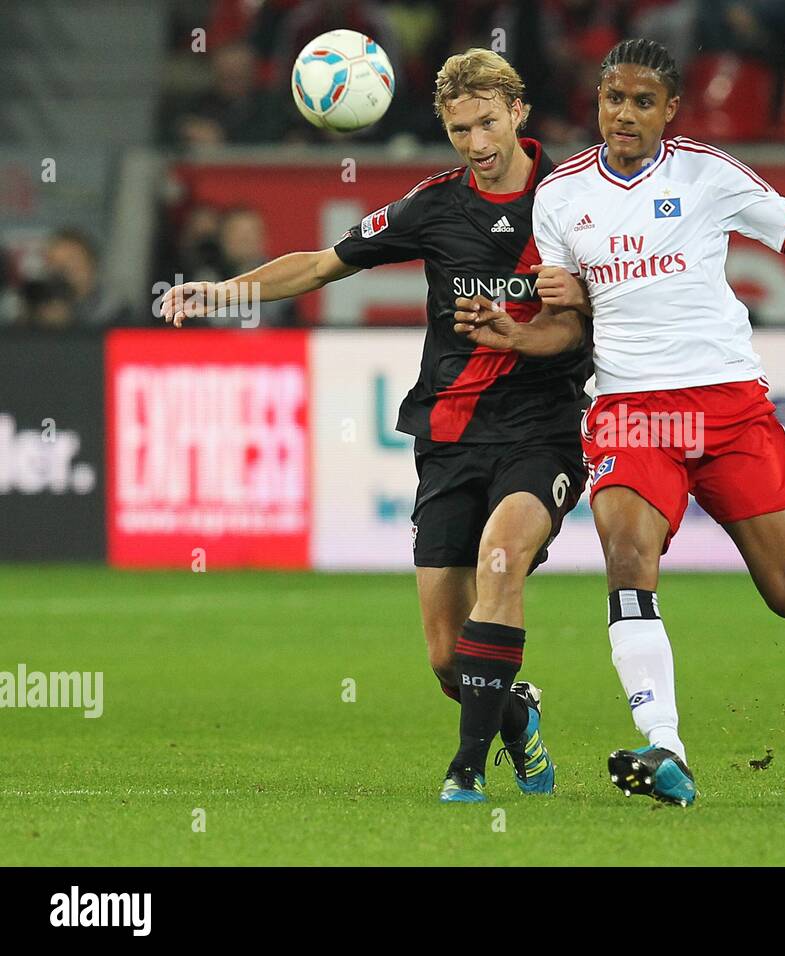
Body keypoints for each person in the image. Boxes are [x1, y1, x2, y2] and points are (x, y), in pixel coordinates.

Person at [455, 38, 785, 805]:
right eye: (610, 98)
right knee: (626, 556)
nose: (622, 114)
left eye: (640, 101)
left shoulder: (709, 174)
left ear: (670, 110)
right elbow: (574, 324)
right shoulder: (561, 196)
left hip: (729, 405)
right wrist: (523, 334)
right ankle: (666, 747)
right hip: (630, 408)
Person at [160, 49, 593, 803]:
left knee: (501, 560)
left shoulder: (575, 203)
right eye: (460, 129)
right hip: (451, 437)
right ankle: (514, 715)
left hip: (542, 431)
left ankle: (464, 772)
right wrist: (223, 294)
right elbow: (323, 265)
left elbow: (612, 305)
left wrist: (570, 308)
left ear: (519, 112)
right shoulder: (432, 206)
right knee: (445, 659)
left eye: (488, 122)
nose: (477, 143)